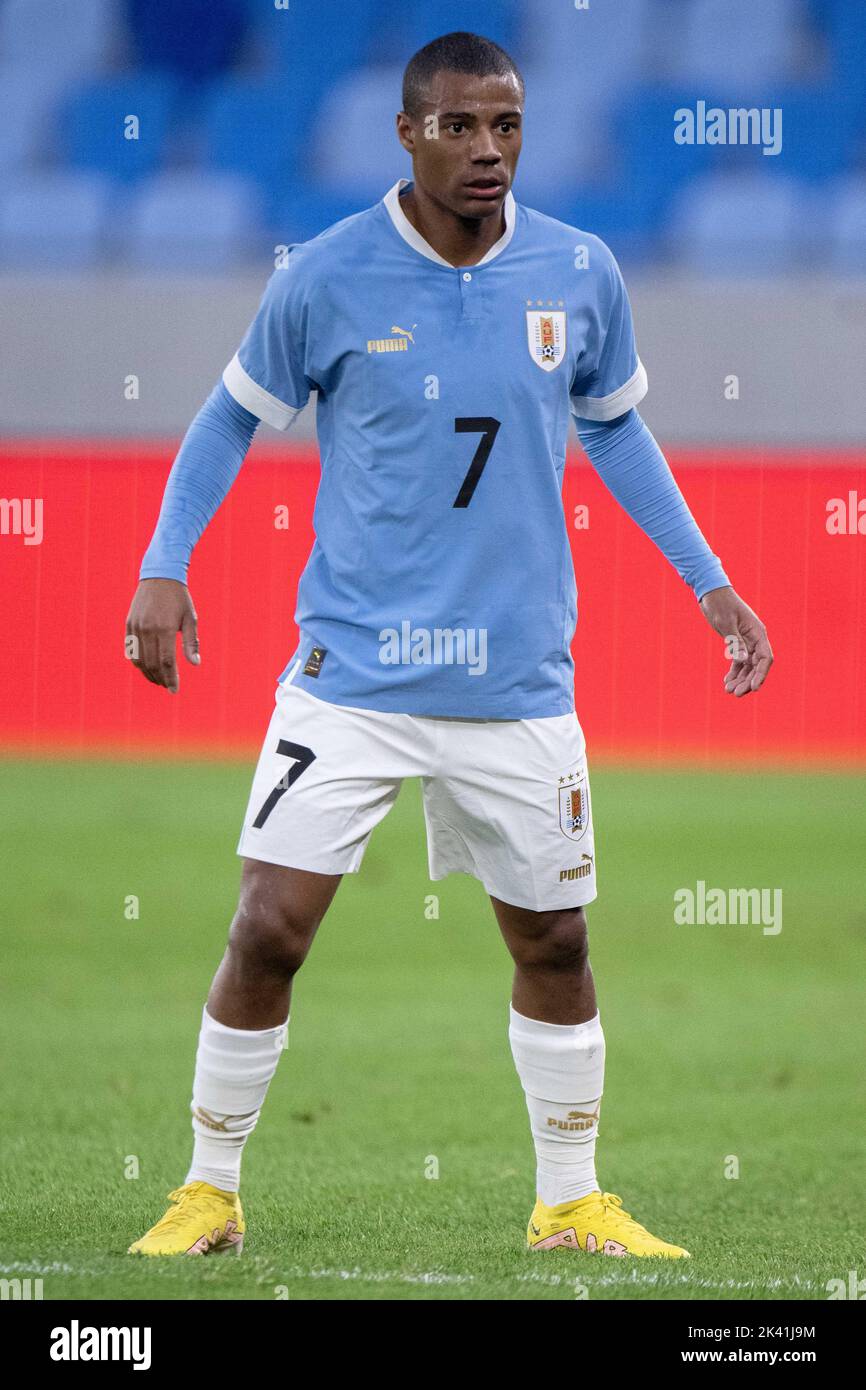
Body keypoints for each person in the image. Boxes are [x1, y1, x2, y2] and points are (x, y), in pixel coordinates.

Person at [126, 32, 773, 1259]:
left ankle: (567, 1201)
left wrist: (713, 583)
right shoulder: (323, 276)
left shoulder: (578, 270)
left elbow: (617, 435)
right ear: (409, 132)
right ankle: (208, 1191)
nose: (488, 151)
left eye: (507, 127)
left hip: (516, 678)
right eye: (462, 128)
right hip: (351, 674)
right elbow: (225, 421)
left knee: (556, 939)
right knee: (268, 926)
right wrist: (165, 565)